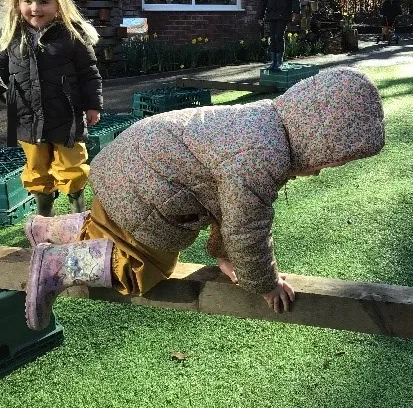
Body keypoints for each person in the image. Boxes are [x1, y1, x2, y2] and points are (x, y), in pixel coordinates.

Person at [23, 67, 385, 331]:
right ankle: (55, 265)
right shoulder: (263, 155)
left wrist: (225, 257)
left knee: (110, 228)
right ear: (318, 139)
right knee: (143, 268)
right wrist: (266, 282)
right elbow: (247, 230)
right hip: (142, 187)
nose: (324, 169)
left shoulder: (265, 122)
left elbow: (223, 203)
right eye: (332, 159)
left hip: (131, 169)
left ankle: (49, 229)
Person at [0, 0, 103, 216]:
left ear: (58, 4)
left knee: (72, 165)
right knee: (36, 168)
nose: (35, 8)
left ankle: (77, 211)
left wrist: (93, 105)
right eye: (28, 1)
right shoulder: (11, 36)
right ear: (17, 3)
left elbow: (89, 73)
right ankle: (44, 213)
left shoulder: (72, 35)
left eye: (44, 2)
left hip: (66, 116)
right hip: (25, 118)